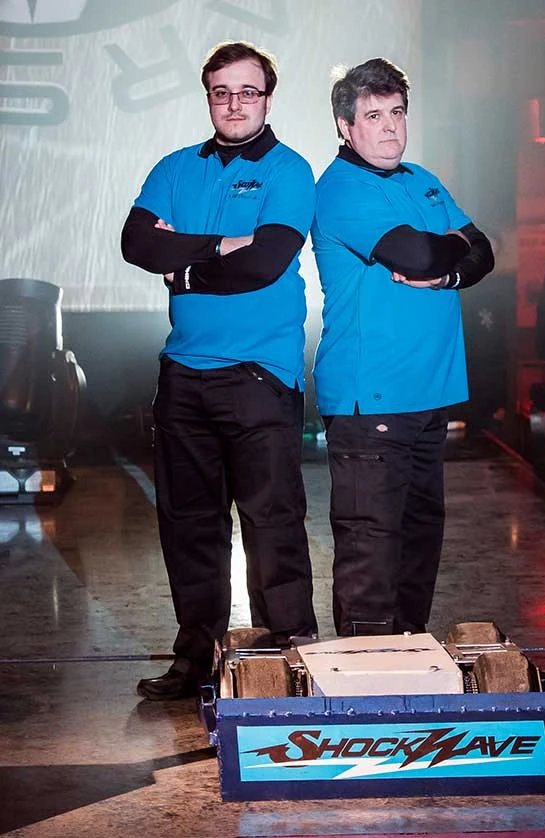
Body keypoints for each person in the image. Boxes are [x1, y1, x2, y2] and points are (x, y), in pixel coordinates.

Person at [121, 40, 317, 700]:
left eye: (247, 92)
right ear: (208, 98)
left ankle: (289, 659)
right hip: (183, 376)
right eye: (221, 92)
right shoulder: (176, 167)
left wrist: (182, 265)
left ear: (268, 99)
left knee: (273, 523)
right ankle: (196, 659)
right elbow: (136, 243)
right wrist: (221, 245)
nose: (234, 104)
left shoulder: (289, 170)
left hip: (259, 375)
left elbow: (265, 262)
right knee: (189, 525)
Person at [311, 57, 494, 638]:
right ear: (345, 126)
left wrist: (448, 267)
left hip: (428, 395)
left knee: (418, 544)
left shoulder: (422, 180)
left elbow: (484, 251)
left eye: (397, 112)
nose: (390, 126)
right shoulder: (340, 189)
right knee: (373, 550)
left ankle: (409, 659)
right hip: (372, 401)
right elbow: (415, 255)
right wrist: (449, 245)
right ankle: (366, 671)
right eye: (373, 116)